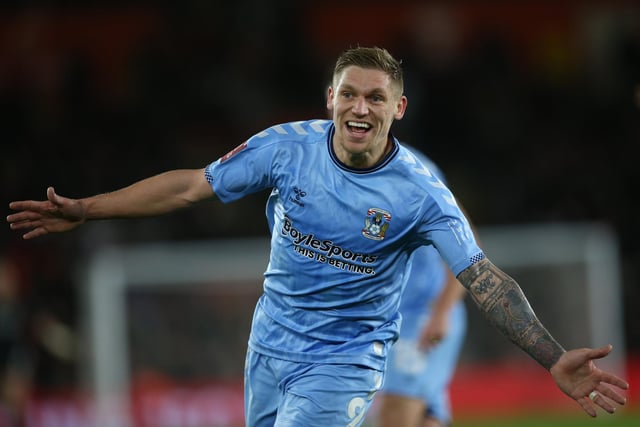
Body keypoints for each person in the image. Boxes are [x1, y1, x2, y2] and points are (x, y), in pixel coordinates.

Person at [6, 46, 628, 426]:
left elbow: (485, 280)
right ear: (330, 98)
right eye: (350, 95)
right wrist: (88, 208)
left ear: (399, 109)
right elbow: (191, 186)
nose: (361, 109)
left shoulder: (420, 194)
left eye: (376, 98)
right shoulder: (285, 149)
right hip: (270, 345)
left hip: (346, 360)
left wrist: (553, 357)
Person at [376, 148, 469, 427]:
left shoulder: (414, 169)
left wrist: (442, 311)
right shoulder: (328, 168)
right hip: (380, 317)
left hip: (420, 315)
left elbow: (467, 243)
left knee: (397, 413)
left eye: (373, 100)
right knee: (427, 419)